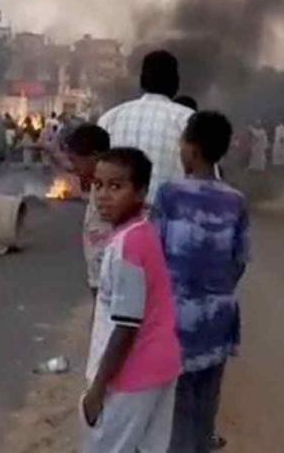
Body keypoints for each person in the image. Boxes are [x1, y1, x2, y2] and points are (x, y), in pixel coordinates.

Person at [153, 112, 249, 453]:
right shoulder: (236, 200)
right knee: (206, 402)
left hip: (177, 317)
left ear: (191, 150)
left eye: (182, 144)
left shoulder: (169, 194)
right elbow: (239, 261)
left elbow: (154, 255)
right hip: (219, 316)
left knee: (178, 408)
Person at [81, 148, 181, 453]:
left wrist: (98, 389)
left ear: (140, 192)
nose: (103, 196)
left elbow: (126, 326)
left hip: (132, 375)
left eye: (116, 186)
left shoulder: (127, 246)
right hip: (160, 366)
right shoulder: (142, 233)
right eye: (98, 185)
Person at [98, 50, 193, 203]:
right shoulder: (188, 120)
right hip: (169, 215)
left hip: (118, 216)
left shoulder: (109, 118)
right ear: (176, 83)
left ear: (142, 81)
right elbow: (206, 180)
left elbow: (97, 178)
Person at [63, 124, 112, 301]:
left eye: (75, 161)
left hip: (109, 278)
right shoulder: (95, 185)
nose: (73, 167)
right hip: (97, 275)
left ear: (95, 156)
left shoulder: (112, 193)